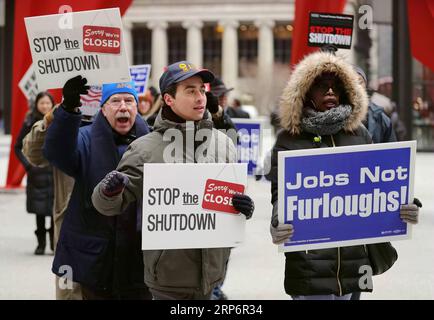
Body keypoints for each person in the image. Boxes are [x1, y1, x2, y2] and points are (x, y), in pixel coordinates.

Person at [91, 61, 255, 300]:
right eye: (190, 91)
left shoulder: (223, 143)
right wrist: (109, 190)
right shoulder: (143, 150)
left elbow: (226, 201)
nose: (200, 97)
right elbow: (107, 205)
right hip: (168, 280)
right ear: (169, 99)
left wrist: (242, 208)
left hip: (213, 276)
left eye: (201, 89)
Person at [268, 51, 420, 300]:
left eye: (336, 87)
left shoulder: (359, 134)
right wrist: (277, 222)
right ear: (305, 92)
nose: (330, 92)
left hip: (353, 259)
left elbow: (378, 186)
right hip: (310, 259)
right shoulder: (289, 139)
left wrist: (405, 205)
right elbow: (280, 193)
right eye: (322, 86)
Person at [42, 76, 152, 300]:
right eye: (115, 101)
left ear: (137, 107)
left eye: (129, 101)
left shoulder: (151, 140)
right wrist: (68, 109)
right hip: (94, 256)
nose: (123, 107)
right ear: (103, 109)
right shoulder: (84, 137)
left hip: (137, 260)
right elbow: (57, 153)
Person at [22, 105, 84, 299]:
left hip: (109, 234)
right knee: (70, 294)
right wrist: (52, 117)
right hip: (69, 232)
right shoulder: (64, 122)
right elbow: (32, 152)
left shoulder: (119, 118)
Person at [14, 92, 55, 255]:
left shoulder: (57, 121)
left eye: (47, 103)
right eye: (42, 103)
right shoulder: (29, 121)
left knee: (54, 209)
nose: (45, 106)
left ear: (52, 105)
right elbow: (18, 146)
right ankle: (40, 243)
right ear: (37, 104)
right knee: (39, 210)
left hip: (54, 172)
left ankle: (54, 242)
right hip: (36, 173)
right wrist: (28, 166)